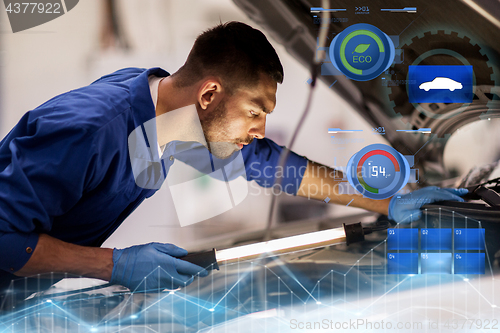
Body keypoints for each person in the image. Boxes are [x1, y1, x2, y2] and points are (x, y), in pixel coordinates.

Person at [0, 22, 467, 300]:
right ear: (208, 94)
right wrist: (113, 265)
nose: (261, 128)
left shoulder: (169, 112)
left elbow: (263, 162)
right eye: (255, 112)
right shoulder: (90, 128)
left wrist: (386, 202)